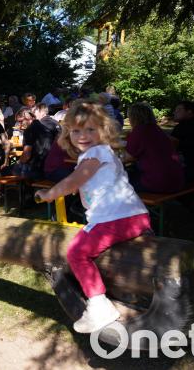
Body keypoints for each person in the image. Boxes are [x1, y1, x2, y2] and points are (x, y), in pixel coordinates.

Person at [35, 100, 151, 333]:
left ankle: (99, 305)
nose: (83, 136)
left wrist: (48, 194)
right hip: (135, 216)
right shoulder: (103, 154)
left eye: (90, 129)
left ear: (103, 130)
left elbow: (73, 181)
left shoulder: (96, 153)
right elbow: (92, 182)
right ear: (68, 133)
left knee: (77, 252)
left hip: (114, 217)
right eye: (76, 130)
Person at [125, 103, 185, 193]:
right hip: (177, 179)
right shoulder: (156, 129)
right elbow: (174, 142)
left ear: (133, 117)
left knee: (118, 181)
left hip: (158, 182)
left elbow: (127, 158)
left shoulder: (139, 131)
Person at [10, 103, 61, 180]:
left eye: (20, 121)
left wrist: (17, 162)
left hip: (35, 169)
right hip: (46, 166)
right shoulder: (44, 127)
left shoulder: (29, 130)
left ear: (28, 118)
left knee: (7, 168)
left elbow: (26, 156)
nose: (19, 125)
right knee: (13, 161)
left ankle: (14, 191)